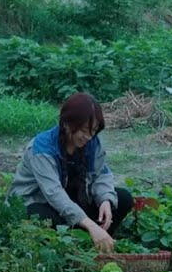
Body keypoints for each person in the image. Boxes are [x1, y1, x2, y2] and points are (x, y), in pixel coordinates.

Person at [8, 92, 134, 252]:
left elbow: (101, 174)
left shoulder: (93, 143)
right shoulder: (41, 149)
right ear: (67, 125)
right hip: (41, 203)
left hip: (71, 204)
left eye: (93, 130)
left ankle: (93, 239)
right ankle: (76, 243)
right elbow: (54, 194)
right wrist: (89, 223)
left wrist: (105, 201)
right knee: (42, 218)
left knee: (122, 198)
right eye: (84, 130)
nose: (89, 136)